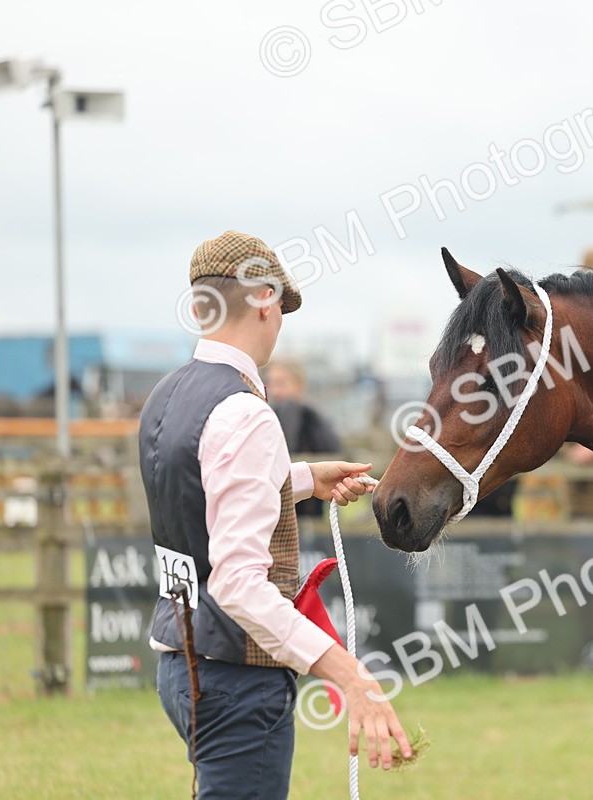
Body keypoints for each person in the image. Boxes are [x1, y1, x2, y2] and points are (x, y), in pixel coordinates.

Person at [140, 231, 411, 799]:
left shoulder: (165, 395)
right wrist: (348, 674)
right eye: (281, 306)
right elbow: (239, 583)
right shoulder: (245, 411)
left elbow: (207, 491)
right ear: (264, 298)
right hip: (236, 678)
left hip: (180, 661)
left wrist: (308, 478)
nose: (281, 320)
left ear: (199, 306)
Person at [266, 360, 343, 520]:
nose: (275, 391)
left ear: (299, 385)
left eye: (281, 383)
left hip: (307, 513)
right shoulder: (272, 414)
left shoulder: (309, 417)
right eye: (271, 384)